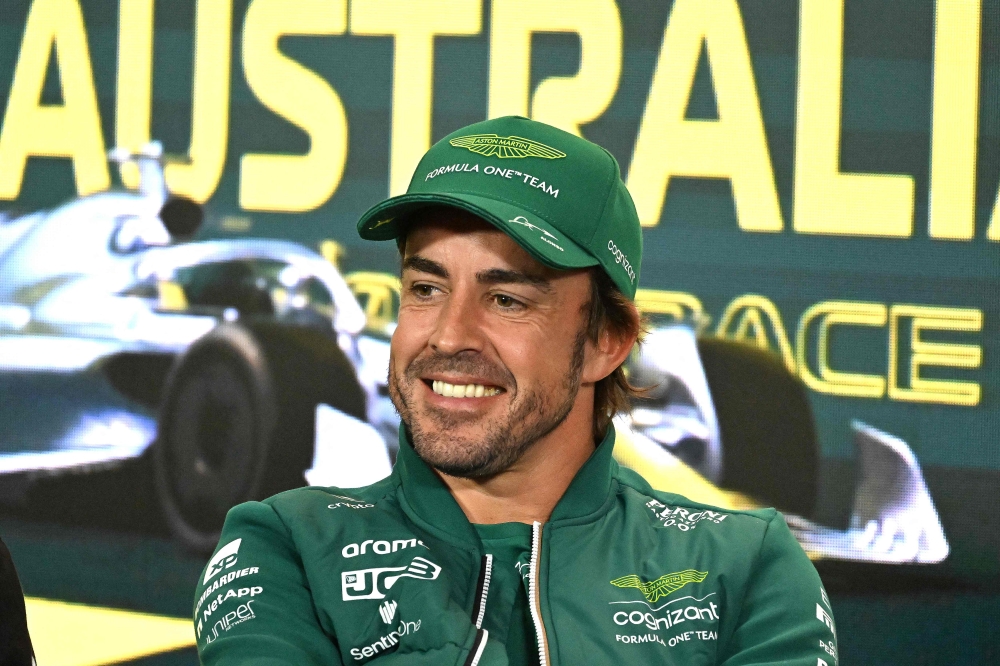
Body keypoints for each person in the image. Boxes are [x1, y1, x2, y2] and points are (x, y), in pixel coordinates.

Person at [193, 116, 839, 665]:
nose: (448, 335)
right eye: (426, 288)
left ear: (605, 341)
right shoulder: (286, 548)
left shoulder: (745, 569)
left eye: (505, 299)